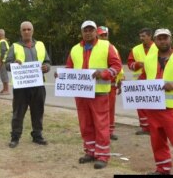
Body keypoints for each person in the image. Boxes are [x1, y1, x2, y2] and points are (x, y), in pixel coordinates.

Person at [65, 20, 122, 169]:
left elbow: (116, 66)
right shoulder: (75, 49)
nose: (88, 32)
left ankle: (102, 155)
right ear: (82, 32)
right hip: (81, 93)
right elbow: (69, 67)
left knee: (101, 125)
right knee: (85, 124)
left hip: (99, 92)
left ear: (96, 32)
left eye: (91, 30)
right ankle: (90, 152)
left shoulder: (106, 46)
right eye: (85, 30)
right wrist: (63, 75)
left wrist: (103, 74)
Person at [140, 29, 173, 175]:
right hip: (154, 108)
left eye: (165, 38)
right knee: (157, 141)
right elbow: (143, 79)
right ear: (155, 40)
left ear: (171, 39)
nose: (162, 41)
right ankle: (162, 169)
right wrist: (126, 86)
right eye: (159, 39)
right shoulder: (149, 59)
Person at [5, 21, 51, 148]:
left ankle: (37, 135)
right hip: (21, 87)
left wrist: (46, 68)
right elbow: (7, 64)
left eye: (28, 29)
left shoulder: (41, 45)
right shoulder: (14, 46)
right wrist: (14, 63)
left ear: (33, 30)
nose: (26, 32)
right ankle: (15, 137)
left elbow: (47, 62)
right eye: (24, 30)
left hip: (38, 85)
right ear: (21, 32)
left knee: (38, 111)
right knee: (18, 113)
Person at [127, 28, 158, 135]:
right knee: (140, 105)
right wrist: (137, 64)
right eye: (140, 36)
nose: (141, 38)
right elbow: (130, 64)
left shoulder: (158, 47)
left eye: (143, 36)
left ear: (150, 36)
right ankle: (145, 128)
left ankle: (154, 127)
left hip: (153, 81)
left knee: (153, 106)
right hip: (139, 81)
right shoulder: (135, 49)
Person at [97, 26, 124, 141]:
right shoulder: (94, 48)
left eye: (105, 35)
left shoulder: (112, 48)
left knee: (110, 109)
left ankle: (110, 131)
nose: (103, 37)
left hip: (111, 84)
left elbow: (118, 65)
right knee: (99, 111)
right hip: (97, 85)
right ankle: (100, 131)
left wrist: (120, 78)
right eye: (101, 35)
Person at [0, 29, 10, 95]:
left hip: (3, 61)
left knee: (4, 75)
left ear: (0, 34)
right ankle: (4, 89)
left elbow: (3, 51)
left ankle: (6, 90)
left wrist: (0, 61)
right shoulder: (3, 41)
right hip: (3, 61)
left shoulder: (2, 42)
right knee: (2, 75)